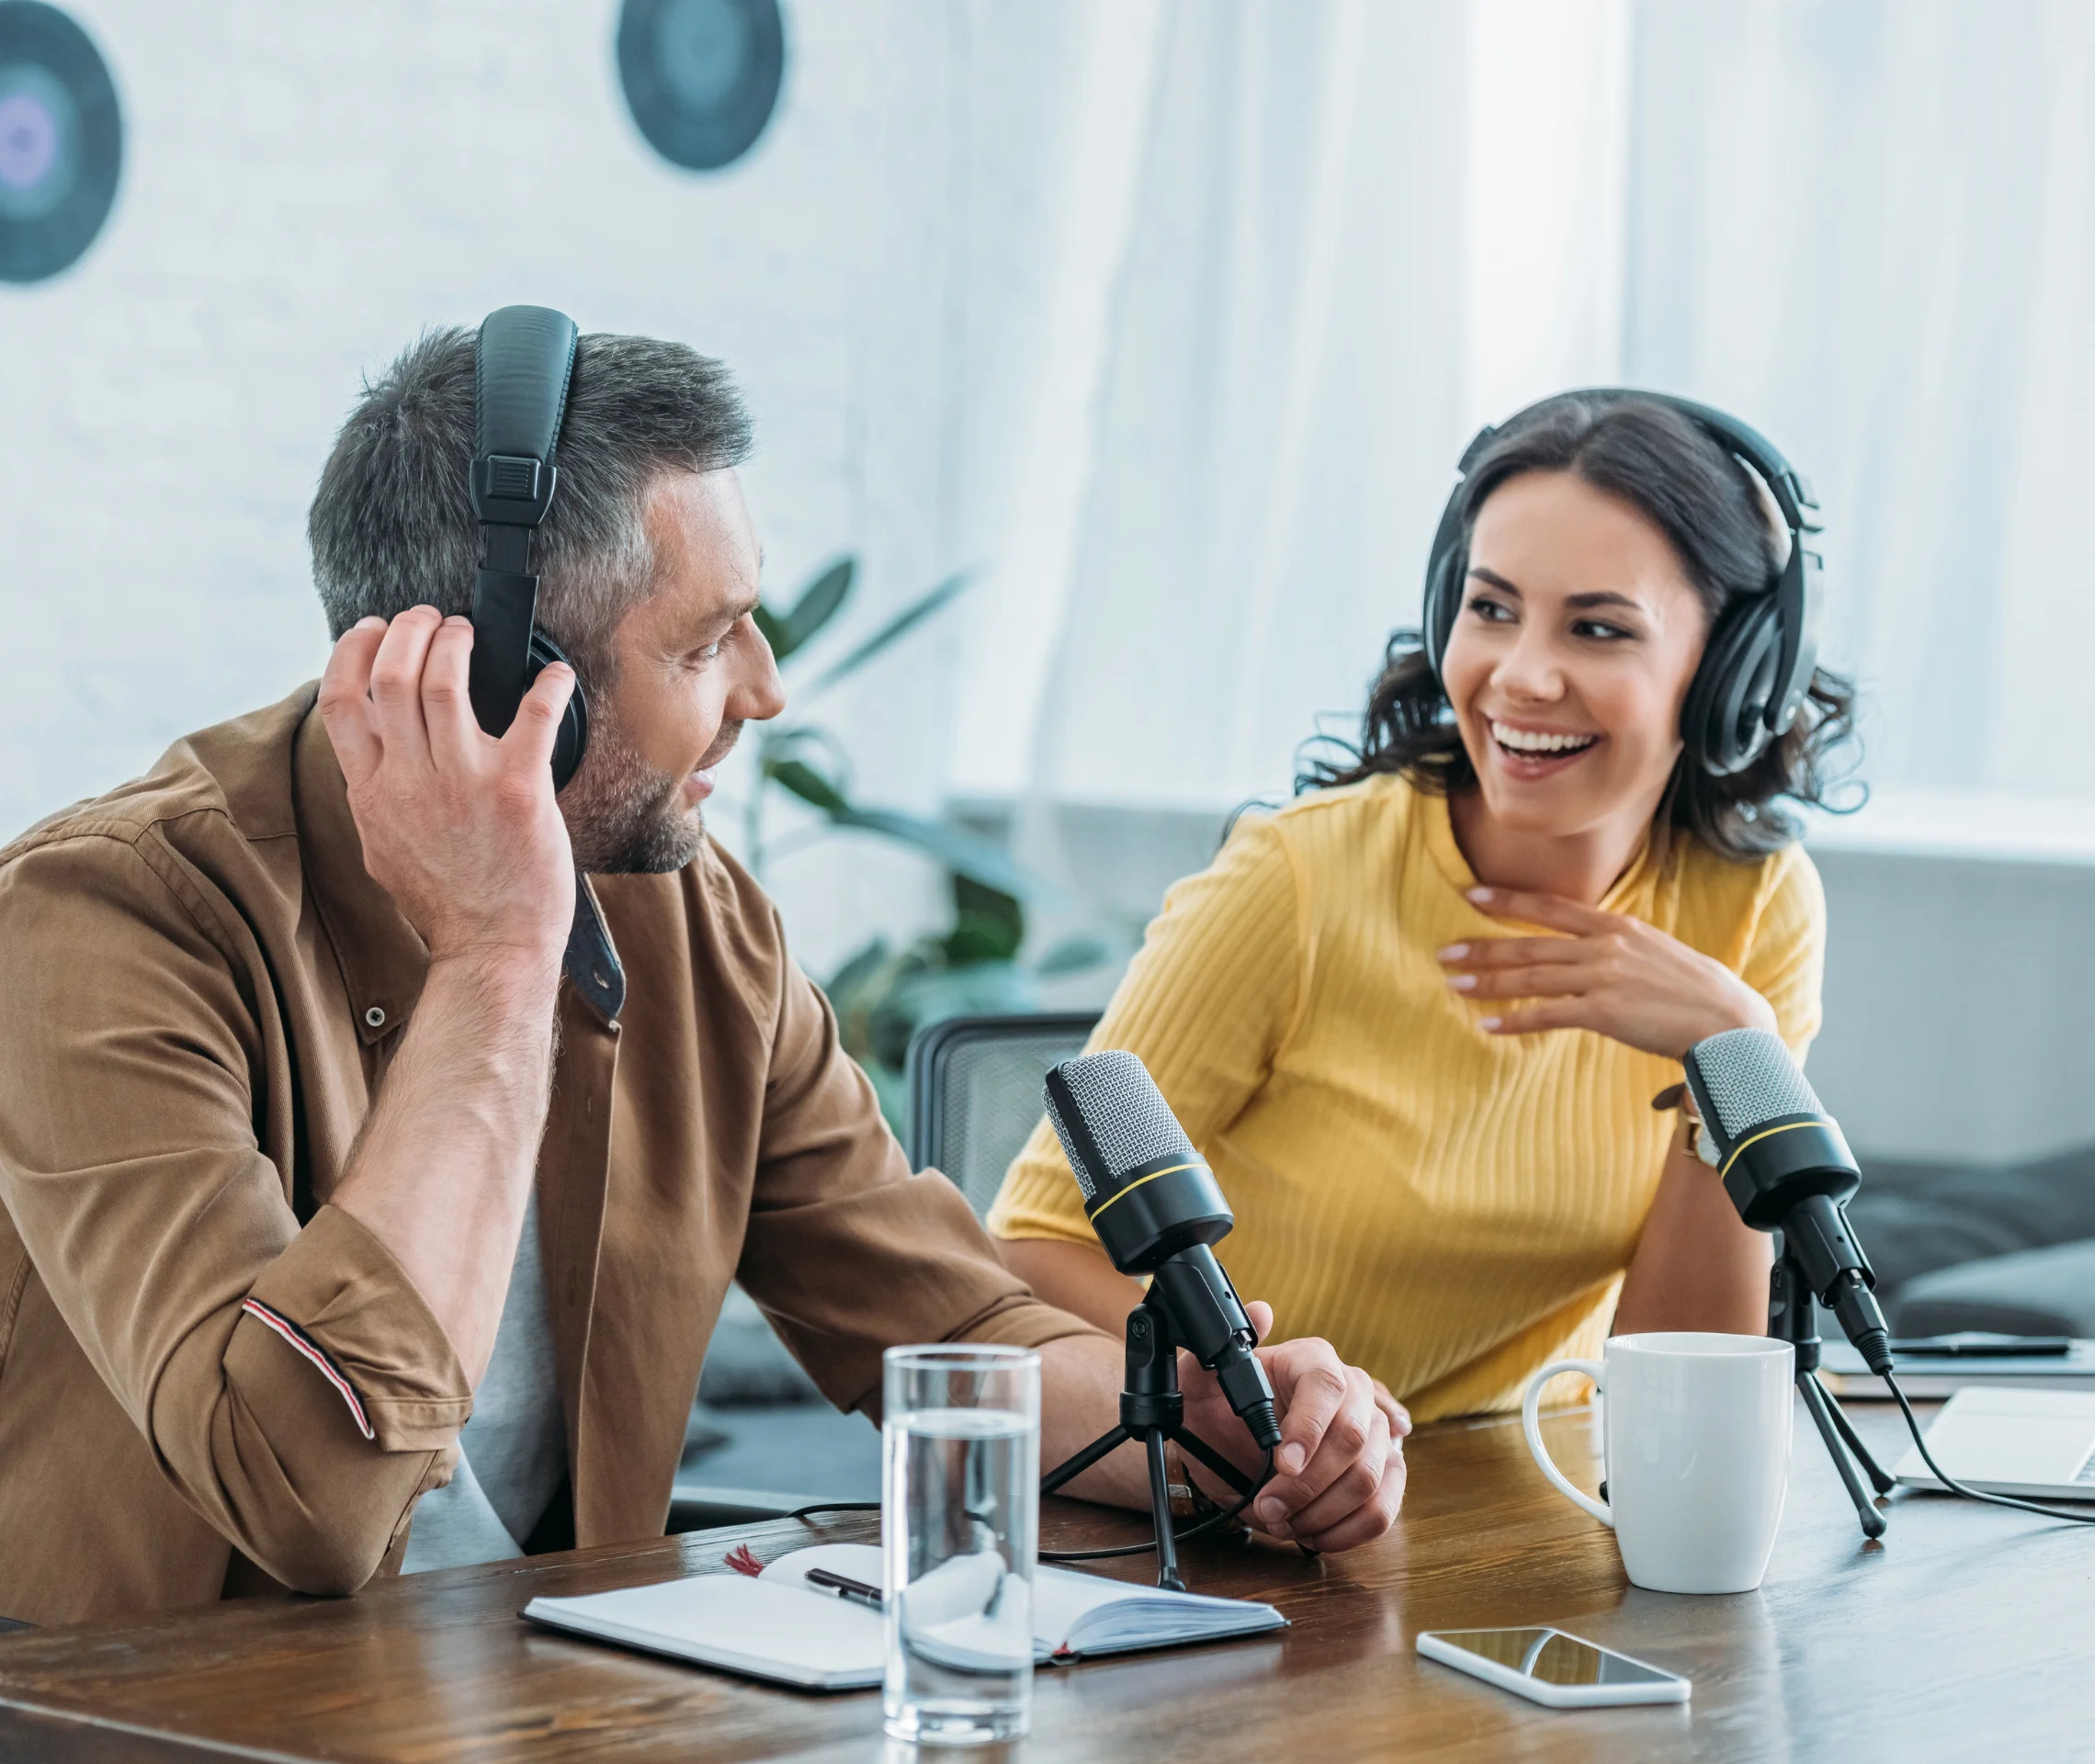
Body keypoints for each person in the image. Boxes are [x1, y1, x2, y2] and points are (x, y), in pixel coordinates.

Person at [0, 324, 1402, 1629]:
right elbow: (302, 1493)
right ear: (504, 688)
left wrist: (1209, 1432)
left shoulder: (696, 923)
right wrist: (497, 954)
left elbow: (947, 1322)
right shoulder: (104, 924)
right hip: (168, 1721)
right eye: (701, 641)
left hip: (564, 1699)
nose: (767, 687)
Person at [991, 393, 1857, 1494]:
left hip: (1517, 1510)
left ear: (1735, 666)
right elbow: (1032, 1245)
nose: (1522, 675)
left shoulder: (1754, 907)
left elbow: (1686, 1419)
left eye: (1598, 628)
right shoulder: (1297, 880)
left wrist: (1730, 1054)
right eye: (1492, 608)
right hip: (1260, 1498)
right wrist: (1271, 1407)